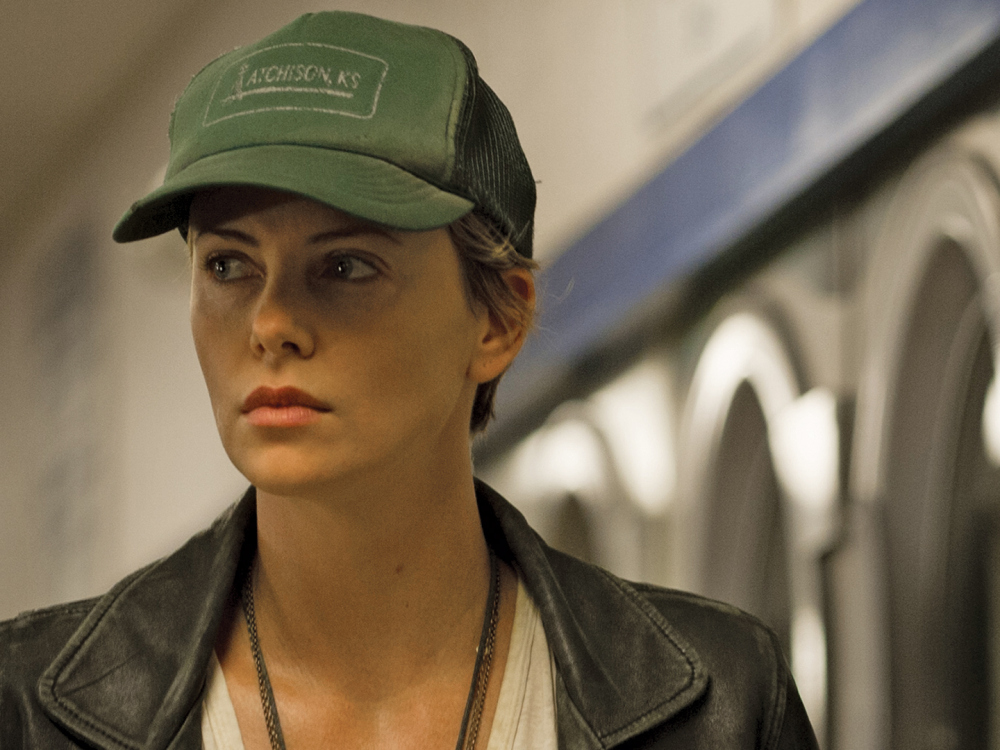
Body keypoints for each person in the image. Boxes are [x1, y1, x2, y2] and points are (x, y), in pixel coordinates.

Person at [0, 11, 818, 749]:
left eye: (345, 266)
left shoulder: (716, 705)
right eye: (228, 265)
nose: (271, 322)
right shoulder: (29, 710)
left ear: (496, 320)